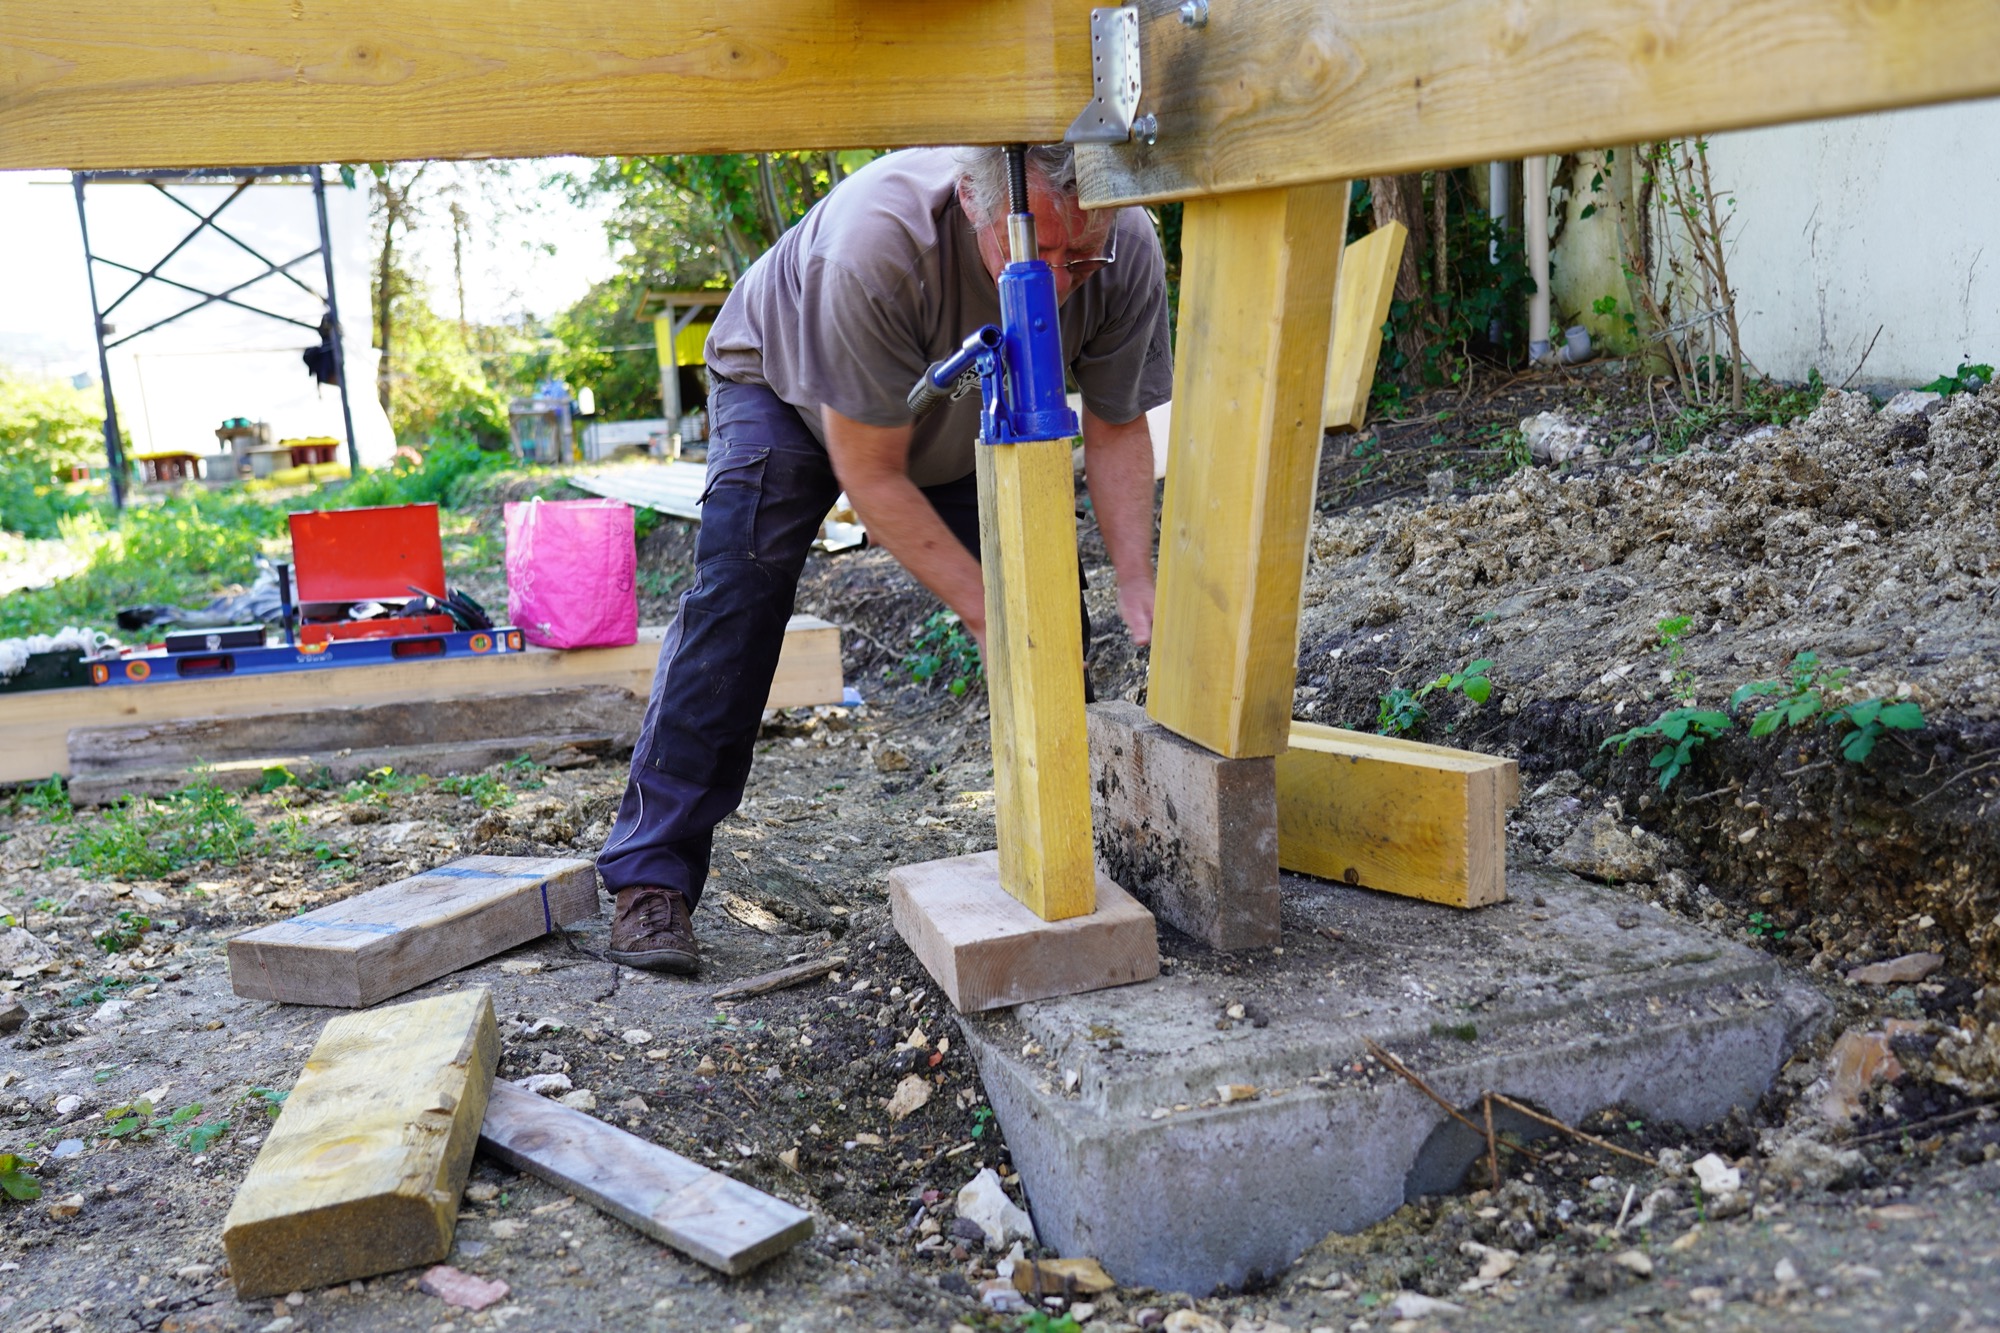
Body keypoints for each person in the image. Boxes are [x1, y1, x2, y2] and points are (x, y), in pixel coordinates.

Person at [595, 144, 1173, 973]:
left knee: (1048, 615)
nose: (1061, 279)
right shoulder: (878, 248)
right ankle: (651, 874)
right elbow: (870, 475)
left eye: (1079, 257)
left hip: (963, 413)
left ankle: (1070, 855)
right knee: (740, 596)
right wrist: (988, 610)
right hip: (785, 388)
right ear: (974, 206)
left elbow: (1116, 424)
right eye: (1039, 250)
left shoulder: (1122, 245)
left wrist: (1136, 578)